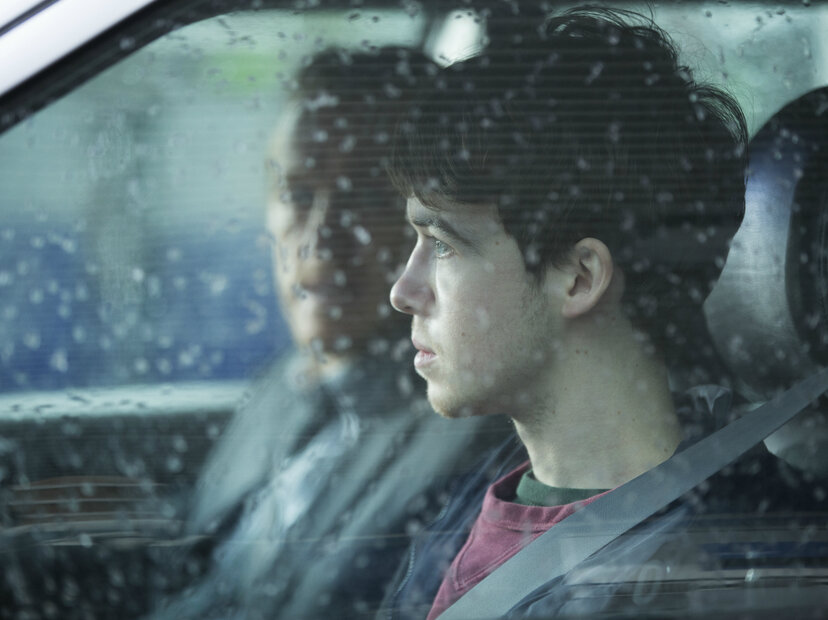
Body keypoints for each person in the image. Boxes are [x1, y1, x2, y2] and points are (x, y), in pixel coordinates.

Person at [379, 7, 819, 619]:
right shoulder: (486, 489)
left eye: (444, 244)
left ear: (580, 278)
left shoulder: (712, 572)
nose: (403, 291)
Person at [148, 48, 508, 620]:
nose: (321, 236)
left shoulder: (469, 438)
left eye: (366, 197)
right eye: (296, 195)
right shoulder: (284, 385)